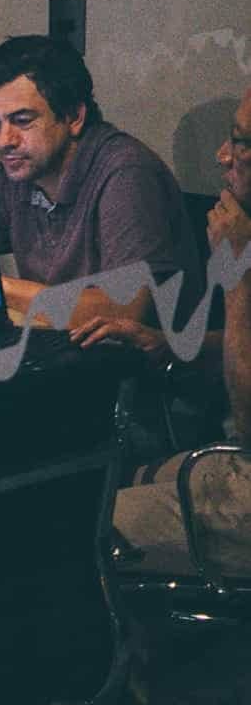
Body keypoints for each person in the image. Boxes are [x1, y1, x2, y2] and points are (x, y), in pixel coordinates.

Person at [0, 34, 204, 355]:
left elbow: (126, 312)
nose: (4, 141)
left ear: (74, 117)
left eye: (22, 121)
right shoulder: (14, 168)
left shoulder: (125, 173)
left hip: (135, 381)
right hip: (64, 359)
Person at [114, 86, 251, 576]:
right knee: (111, 479)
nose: (222, 156)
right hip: (232, 462)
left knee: (86, 523)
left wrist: (237, 275)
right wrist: (172, 346)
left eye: (241, 142)